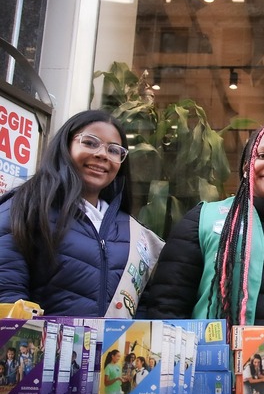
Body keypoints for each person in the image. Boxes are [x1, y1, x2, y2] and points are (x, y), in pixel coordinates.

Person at [141, 122, 264, 327]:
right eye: (262, 155)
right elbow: (167, 306)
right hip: (215, 358)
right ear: (244, 167)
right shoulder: (203, 220)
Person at [0, 110, 162, 317]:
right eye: (90, 142)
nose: (103, 154)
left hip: (114, 349)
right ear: (65, 146)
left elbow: (141, 307)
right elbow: (6, 292)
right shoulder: (25, 206)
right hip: (41, 347)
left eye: (114, 150)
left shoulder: (133, 232)